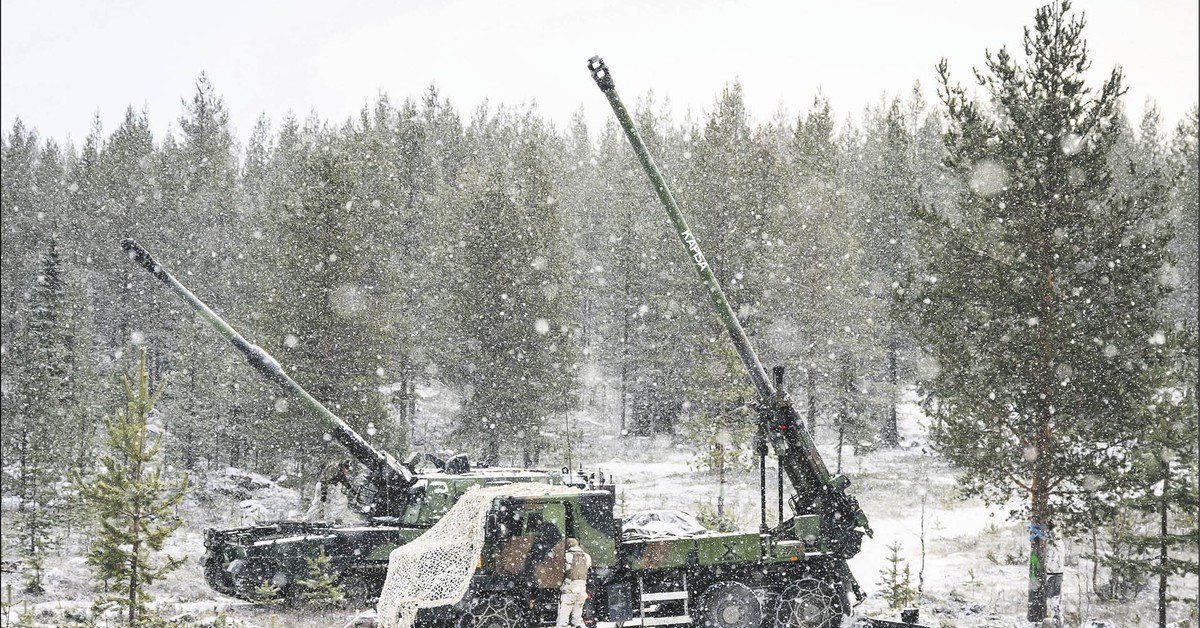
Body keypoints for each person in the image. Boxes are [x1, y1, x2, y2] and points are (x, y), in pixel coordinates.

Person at [555, 537, 591, 628]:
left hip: (569, 589)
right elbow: (587, 567)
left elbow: (561, 570)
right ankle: (577, 624)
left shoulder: (566, 556)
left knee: (563, 616)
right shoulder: (586, 556)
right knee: (577, 616)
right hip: (582, 588)